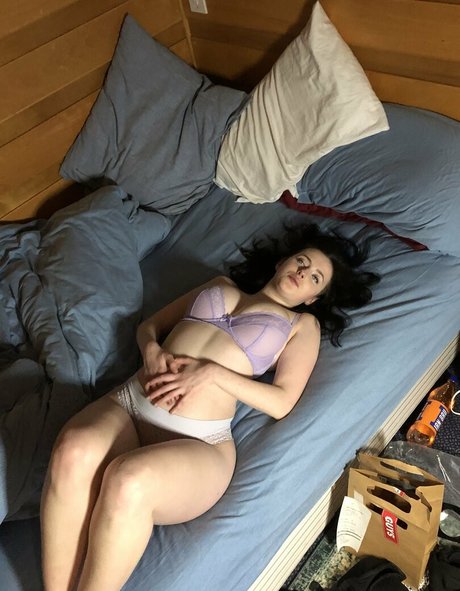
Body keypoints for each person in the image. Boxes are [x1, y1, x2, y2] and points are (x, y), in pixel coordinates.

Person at [40, 223, 379, 591]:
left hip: (199, 442)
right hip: (130, 404)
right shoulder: (219, 284)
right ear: (281, 261)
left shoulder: (302, 324)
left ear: (314, 298)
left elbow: (281, 401)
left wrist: (211, 373)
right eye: (301, 261)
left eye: (315, 278)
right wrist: (151, 350)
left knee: (129, 481)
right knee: (73, 450)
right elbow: (150, 326)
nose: (302, 272)